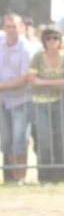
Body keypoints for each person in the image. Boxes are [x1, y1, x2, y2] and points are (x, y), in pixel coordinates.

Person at [28, 27, 64, 183]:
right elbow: (32, 80)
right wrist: (57, 84)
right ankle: (44, 175)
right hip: (40, 104)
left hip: (60, 103)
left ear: (60, 40)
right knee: (44, 140)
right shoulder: (37, 57)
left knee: (60, 139)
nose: (52, 41)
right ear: (44, 41)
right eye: (48, 38)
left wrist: (45, 82)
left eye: (55, 38)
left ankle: (61, 174)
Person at [0, 14, 32, 184]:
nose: (11, 30)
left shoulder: (26, 48)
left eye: (14, 26)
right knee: (5, 139)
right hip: (3, 101)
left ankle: (20, 176)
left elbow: (24, 79)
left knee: (19, 138)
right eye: (8, 26)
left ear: (20, 28)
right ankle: (10, 176)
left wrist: (1, 87)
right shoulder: (0, 42)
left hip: (21, 100)